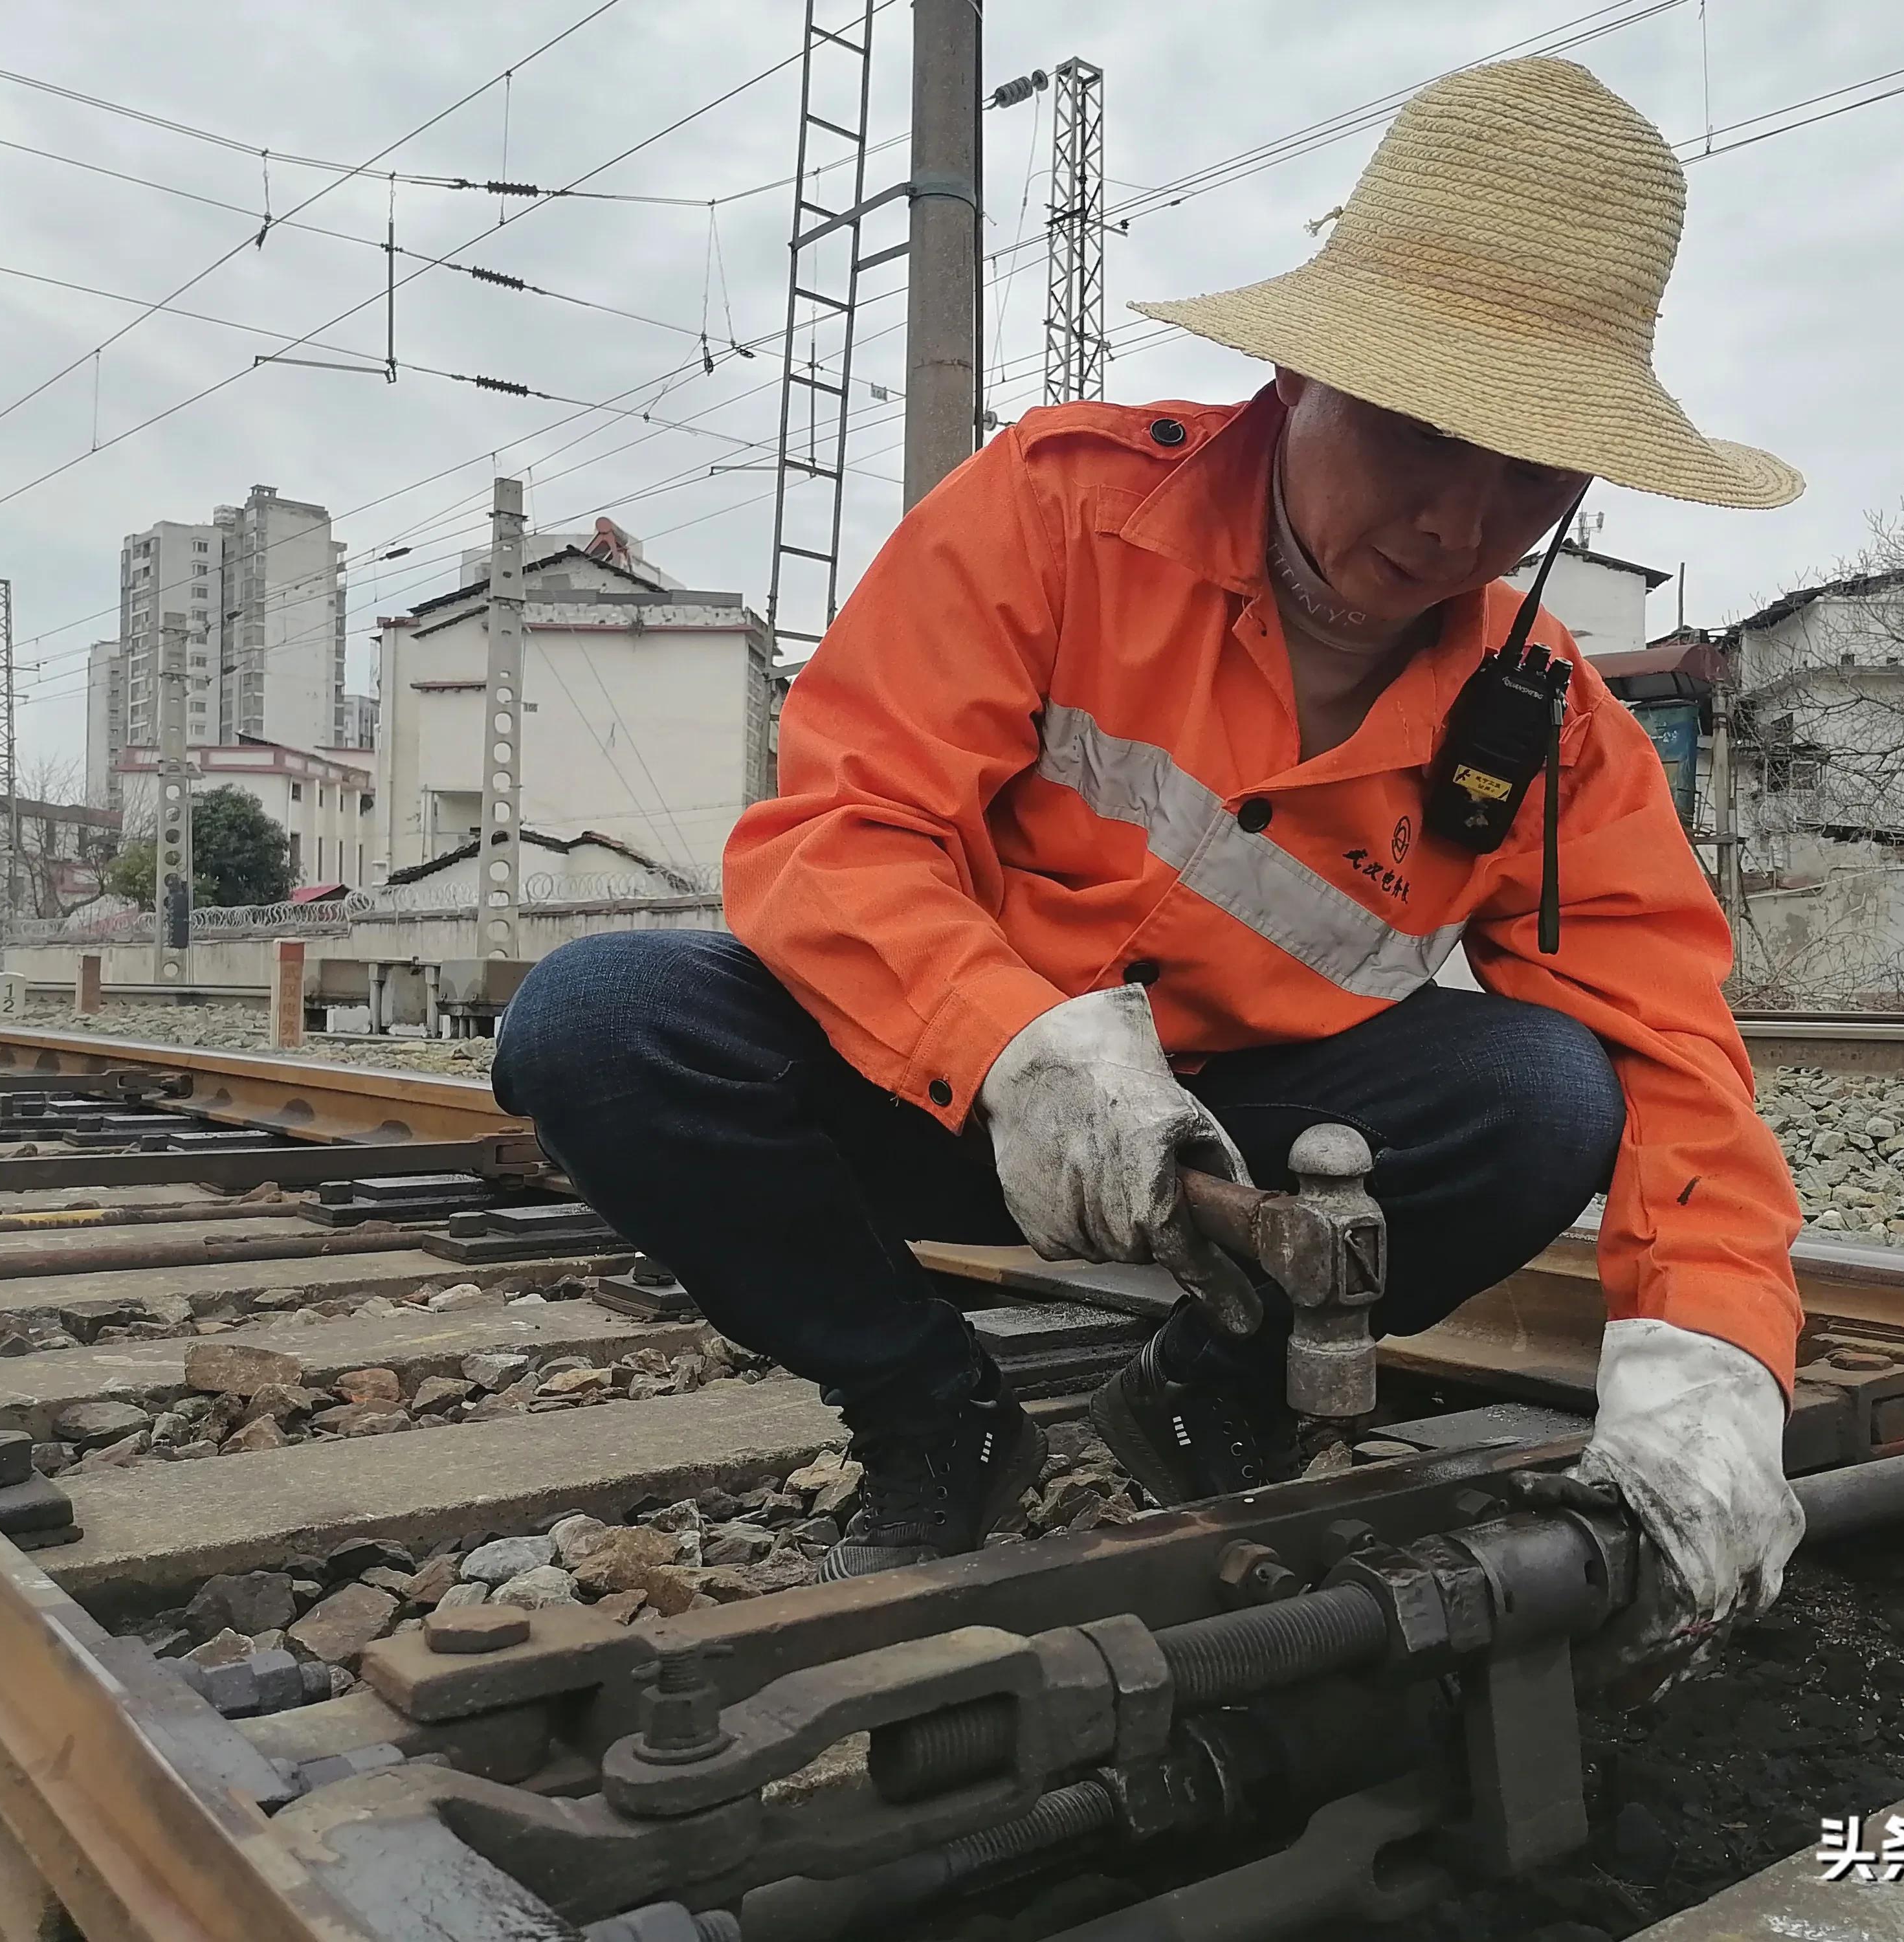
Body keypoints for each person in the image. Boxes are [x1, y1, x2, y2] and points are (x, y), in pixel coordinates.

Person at [494, 57, 1808, 1664]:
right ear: (1304, 378)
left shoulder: (1552, 731)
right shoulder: (1057, 517)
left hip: (1244, 1148)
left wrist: (1710, 1378)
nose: (1456, 523)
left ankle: (1204, 1407)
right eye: (1421, 436)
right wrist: (1010, 1041)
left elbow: (1676, 1055)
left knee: (1543, 1088)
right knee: (600, 1021)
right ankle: (934, 1416)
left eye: (1528, 475)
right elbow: (840, 836)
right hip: (947, 1096)